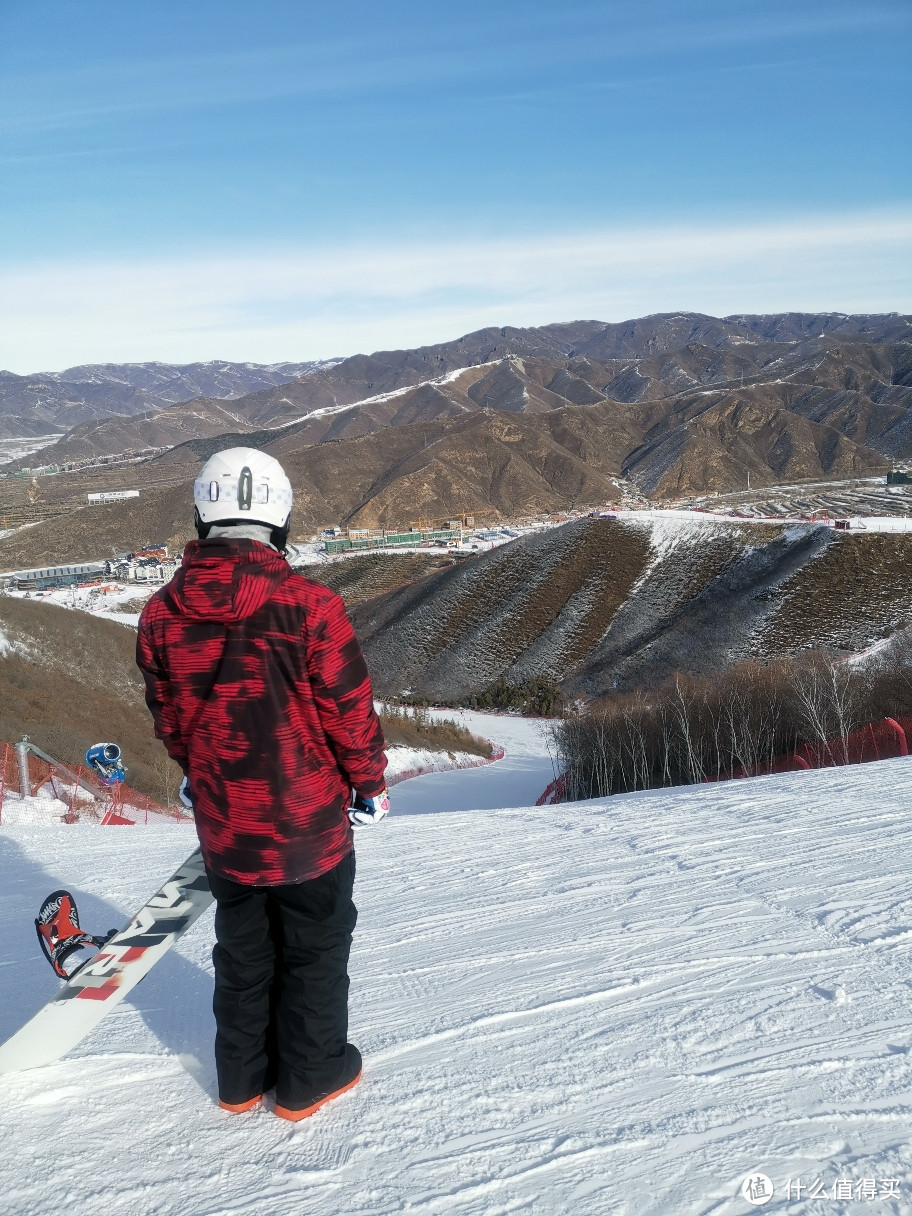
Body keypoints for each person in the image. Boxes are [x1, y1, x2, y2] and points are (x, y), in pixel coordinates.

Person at [136, 447, 389, 1121]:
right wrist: (369, 785)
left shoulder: (161, 613)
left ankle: (240, 1082)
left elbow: (171, 717)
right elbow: (349, 712)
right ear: (279, 518)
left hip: (227, 828)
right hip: (310, 827)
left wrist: (199, 775)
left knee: (243, 951)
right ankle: (309, 1080)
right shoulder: (310, 606)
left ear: (201, 515)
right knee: (315, 951)